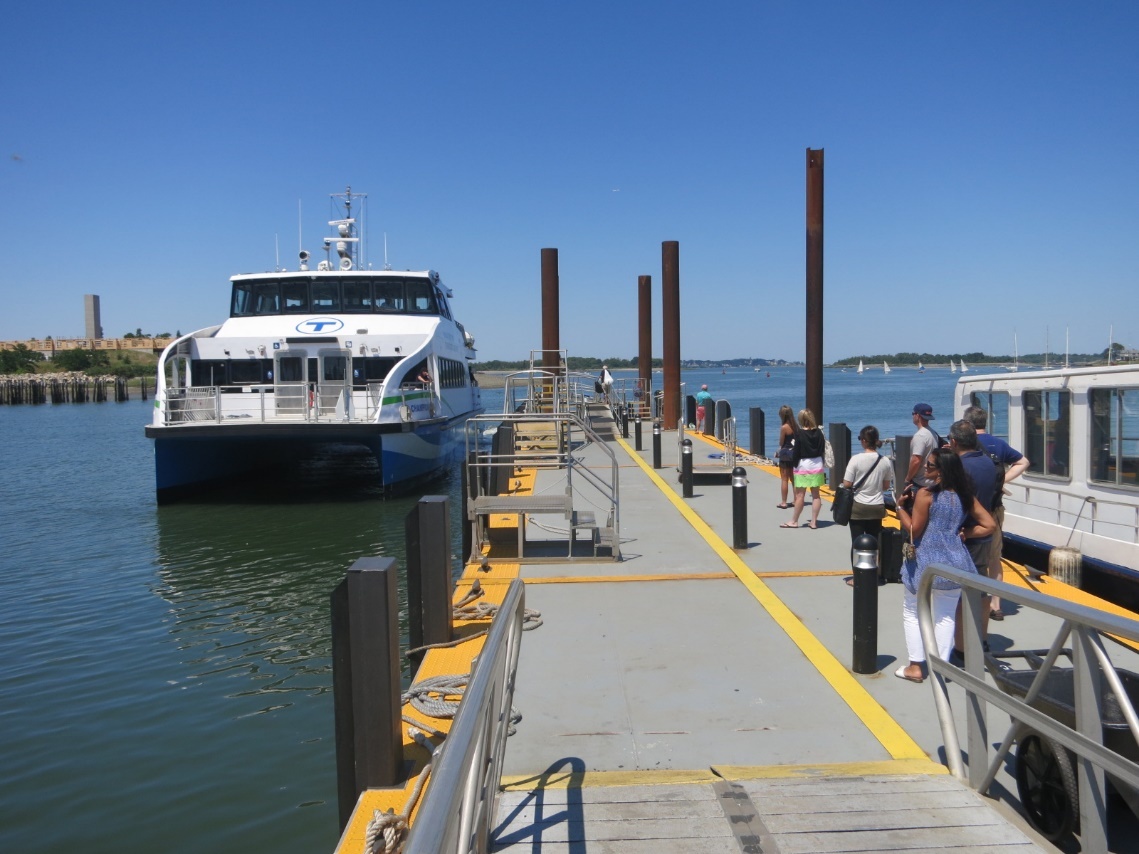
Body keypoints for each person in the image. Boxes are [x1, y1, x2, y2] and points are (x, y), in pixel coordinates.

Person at [894, 448, 995, 682]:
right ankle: (941, 668)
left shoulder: (926, 495)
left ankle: (916, 668)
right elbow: (989, 525)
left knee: (912, 611)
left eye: (929, 466)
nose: (925, 469)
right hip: (956, 562)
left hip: (926, 563)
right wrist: (966, 532)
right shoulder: (964, 495)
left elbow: (913, 530)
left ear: (942, 471)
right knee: (946, 616)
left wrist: (899, 507)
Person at [964, 405, 1030, 621]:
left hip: (973, 510)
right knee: (994, 556)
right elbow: (1023, 462)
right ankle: (996, 604)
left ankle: (969, 599)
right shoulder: (998, 444)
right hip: (995, 509)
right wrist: (1002, 480)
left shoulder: (966, 444)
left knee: (968, 553)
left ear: (968, 424)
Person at [949, 420, 998, 658]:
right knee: (982, 589)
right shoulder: (988, 462)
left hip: (966, 535)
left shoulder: (960, 467)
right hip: (984, 535)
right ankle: (982, 638)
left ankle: (962, 647)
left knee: (961, 592)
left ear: (954, 442)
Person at [841, 425, 893, 544]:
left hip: (858, 507)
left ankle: (857, 562)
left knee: (857, 543)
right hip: (877, 507)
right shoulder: (885, 461)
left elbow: (847, 483)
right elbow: (885, 487)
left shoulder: (856, 459)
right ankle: (874, 562)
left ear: (864, 441)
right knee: (874, 542)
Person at [782, 409, 826, 529]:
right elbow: (822, 449)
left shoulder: (800, 434)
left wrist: (795, 464)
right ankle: (814, 522)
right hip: (817, 464)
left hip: (803, 465)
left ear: (801, 419)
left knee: (800, 495)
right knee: (816, 495)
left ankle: (794, 521)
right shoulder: (819, 433)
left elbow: (796, 452)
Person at [901, 403, 939, 502]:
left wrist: (907, 479)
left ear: (917, 415)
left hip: (921, 483)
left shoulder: (920, 436)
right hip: (932, 481)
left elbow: (916, 460)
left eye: (913, 414)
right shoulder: (933, 433)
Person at [775, 405, 796, 508]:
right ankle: (796, 500)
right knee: (794, 479)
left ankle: (784, 502)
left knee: (784, 479)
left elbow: (781, 442)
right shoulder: (796, 426)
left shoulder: (784, 428)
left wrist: (778, 452)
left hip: (785, 454)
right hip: (794, 453)